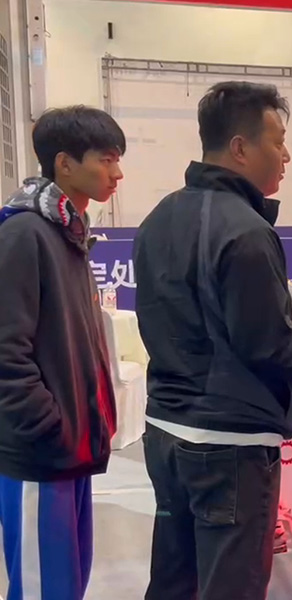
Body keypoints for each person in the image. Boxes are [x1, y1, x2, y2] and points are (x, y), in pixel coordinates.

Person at [133, 81, 292, 600]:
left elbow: (201, 319)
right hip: (229, 448)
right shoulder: (246, 231)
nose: (286, 155)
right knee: (231, 586)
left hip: (166, 429)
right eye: (277, 142)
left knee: (174, 580)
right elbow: (276, 350)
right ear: (240, 147)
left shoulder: (160, 217)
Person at [0, 106, 123, 599]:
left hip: (69, 451)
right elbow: (6, 353)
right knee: (39, 588)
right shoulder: (23, 234)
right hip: (39, 456)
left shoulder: (67, 233)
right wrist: (46, 427)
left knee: (66, 585)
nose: (117, 173)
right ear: (64, 163)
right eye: (106, 159)